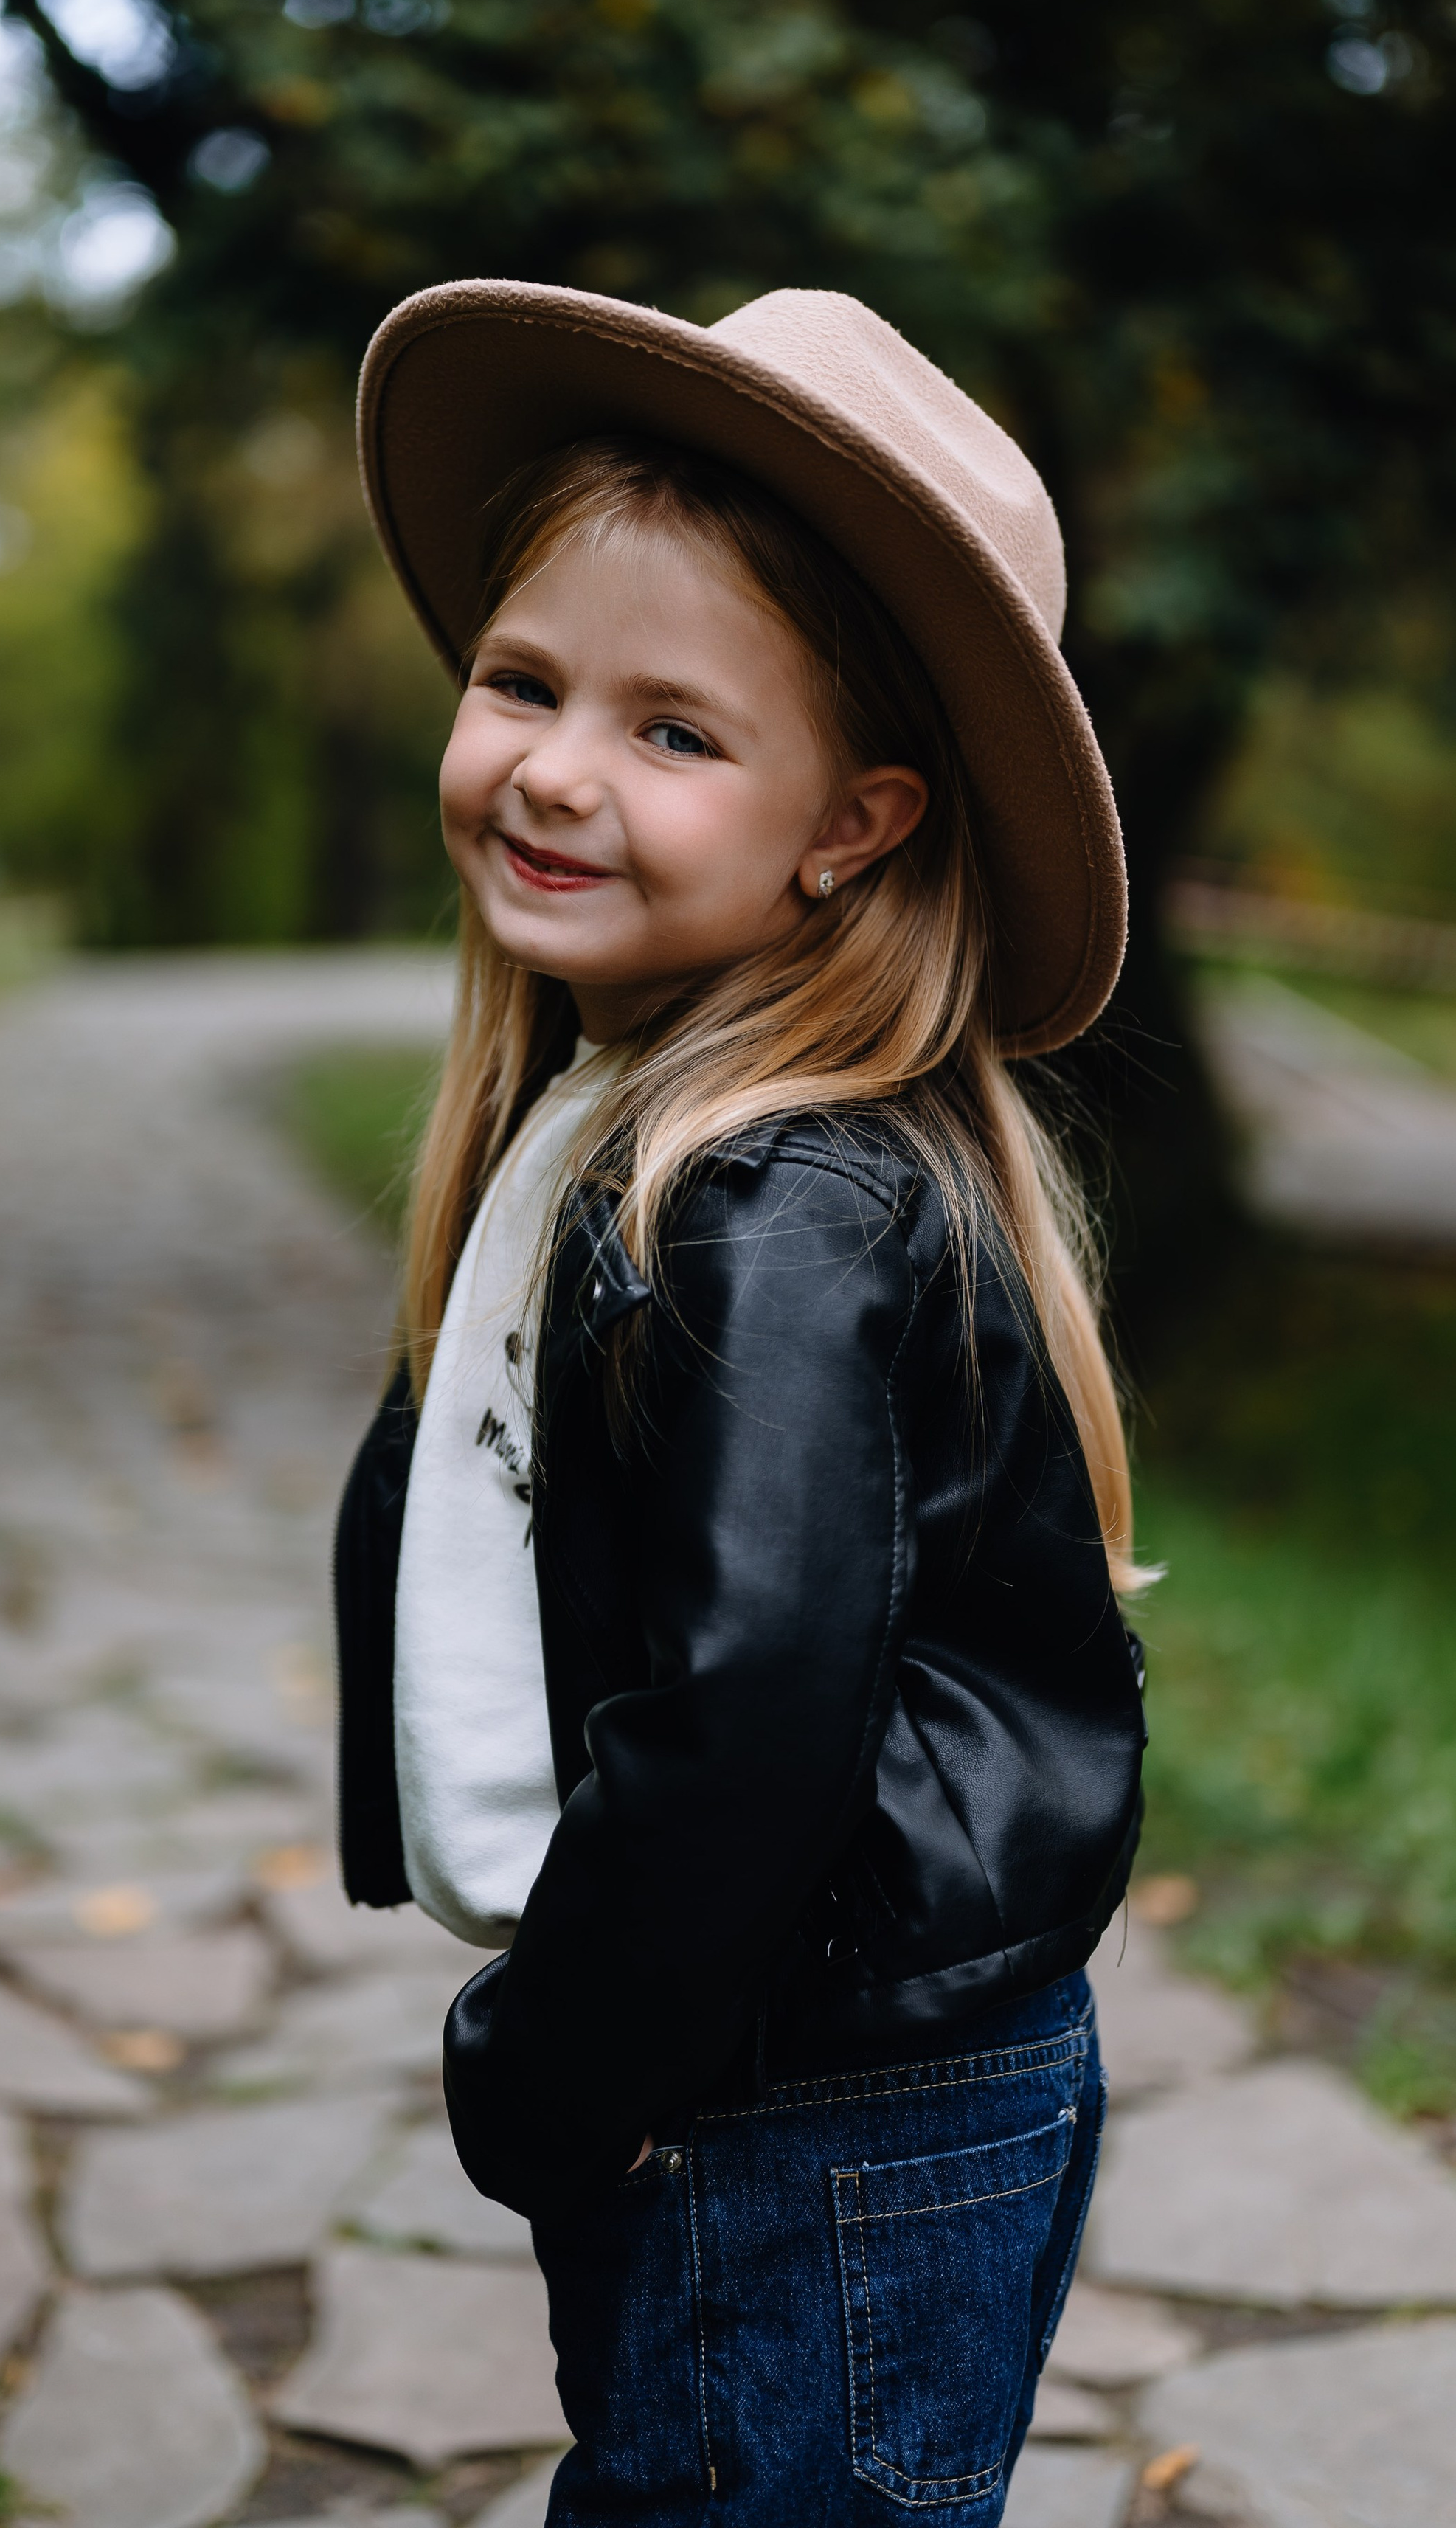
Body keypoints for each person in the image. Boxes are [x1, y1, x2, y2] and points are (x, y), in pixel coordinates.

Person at [333, 281, 1148, 2527]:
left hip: (809, 2107)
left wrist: (547, 2057)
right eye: (524, 682)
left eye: (677, 732)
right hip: (785, 2075)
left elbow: (746, 1719)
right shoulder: (625, 1121)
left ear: (852, 825)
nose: (560, 766)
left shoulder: (775, 1199)